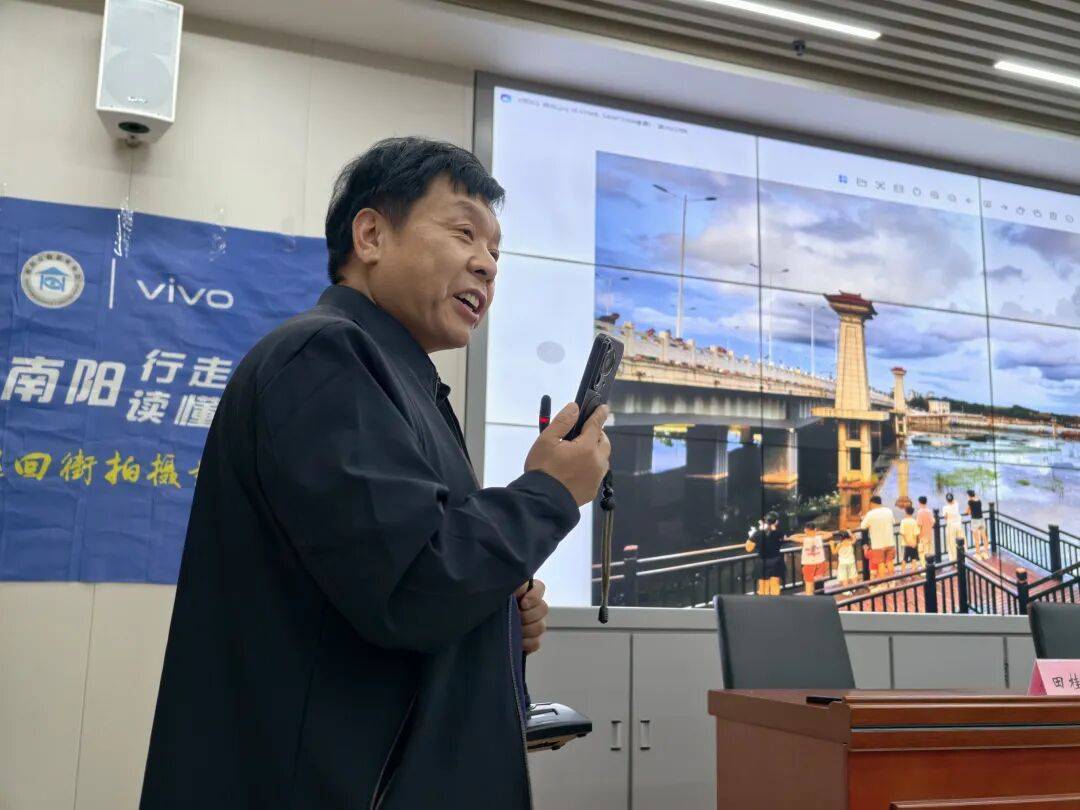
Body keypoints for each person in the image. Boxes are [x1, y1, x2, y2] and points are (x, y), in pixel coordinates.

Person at [140, 138, 612, 810]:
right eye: (463, 233)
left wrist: (499, 614)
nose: (486, 264)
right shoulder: (325, 356)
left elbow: (393, 577)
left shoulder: (396, 377)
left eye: (496, 251)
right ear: (370, 236)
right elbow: (413, 586)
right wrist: (548, 493)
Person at [745, 512, 785, 596]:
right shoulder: (779, 533)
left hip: (762, 562)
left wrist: (751, 535)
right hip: (776, 562)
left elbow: (748, 548)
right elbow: (782, 539)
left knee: (763, 587)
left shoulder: (757, 534)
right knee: (775, 586)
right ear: (776, 522)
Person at [860, 495, 897, 582]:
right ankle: (892, 581)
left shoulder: (870, 514)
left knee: (881, 563)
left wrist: (863, 518)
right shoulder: (889, 511)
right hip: (890, 542)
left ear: (872, 503)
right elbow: (893, 522)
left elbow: (863, 526)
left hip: (878, 544)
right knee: (889, 561)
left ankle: (883, 582)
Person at [791, 523, 828, 595]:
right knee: (817, 583)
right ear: (815, 529)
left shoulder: (805, 539)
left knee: (808, 584)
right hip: (819, 563)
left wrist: (805, 534)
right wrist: (817, 532)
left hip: (808, 564)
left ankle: (810, 598)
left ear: (806, 530)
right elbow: (829, 534)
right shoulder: (819, 537)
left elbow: (792, 537)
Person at [966, 489, 989, 561]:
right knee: (984, 537)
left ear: (969, 496)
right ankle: (986, 553)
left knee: (976, 538)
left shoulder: (970, 502)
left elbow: (968, 512)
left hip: (975, 521)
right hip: (981, 520)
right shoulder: (979, 501)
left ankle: (978, 554)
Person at [899, 505, 920, 574]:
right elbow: (916, 533)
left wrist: (907, 542)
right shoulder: (914, 521)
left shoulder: (903, 521)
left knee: (905, 558)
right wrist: (916, 542)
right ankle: (913, 572)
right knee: (914, 558)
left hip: (906, 543)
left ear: (906, 512)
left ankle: (903, 572)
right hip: (913, 543)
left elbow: (902, 533)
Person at [943, 492, 964, 561]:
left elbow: (945, 518)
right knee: (960, 542)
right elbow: (955, 501)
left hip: (951, 526)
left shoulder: (945, 508)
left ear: (946, 500)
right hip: (958, 525)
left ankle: (953, 559)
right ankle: (961, 557)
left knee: (951, 543)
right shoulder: (956, 505)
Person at [915, 495, 935, 564]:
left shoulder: (919, 512)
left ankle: (925, 568)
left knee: (922, 553)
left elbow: (919, 525)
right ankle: (930, 566)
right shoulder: (929, 511)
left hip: (922, 536)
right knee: (929, 552)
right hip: (929, 535)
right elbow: (933, 522)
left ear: (919, 502)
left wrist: (918, 537)